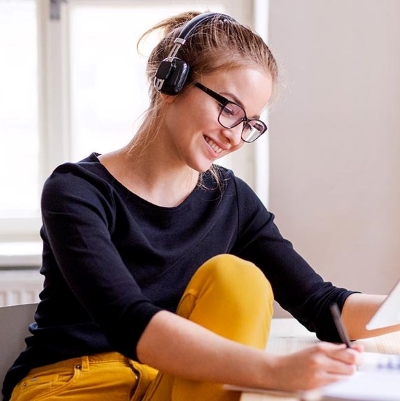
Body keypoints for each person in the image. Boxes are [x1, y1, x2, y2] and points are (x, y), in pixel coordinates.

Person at [3, 10, 400, 401]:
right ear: (171, 81)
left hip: (175, 380)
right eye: (229, 108)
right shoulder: (76, 190)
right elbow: (126, 321)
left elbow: (322, 305)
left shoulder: (232, 199)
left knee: (238, 279)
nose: (236, 137)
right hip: (74, 383)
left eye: (250, 123)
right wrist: (276, 372)